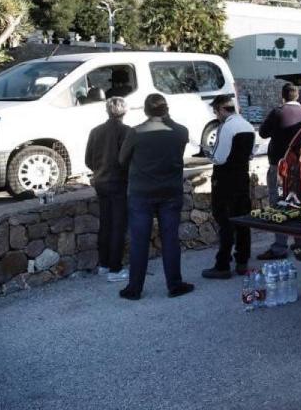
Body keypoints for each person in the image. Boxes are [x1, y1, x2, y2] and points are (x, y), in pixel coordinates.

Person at [117, 94, 194, 300]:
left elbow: (122, 159)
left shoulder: (136, 132)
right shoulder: (180, 131)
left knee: (139, 241)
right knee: (170, 239)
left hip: (141, 192)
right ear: (166, 109)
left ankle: (134, 288)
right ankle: (174, 284)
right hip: (170, 191)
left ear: (145, 111)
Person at [202, 96, 256, 279]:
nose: (216, 116)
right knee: (242, 220)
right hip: (242, 177)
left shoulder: (227, 127)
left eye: (216, 112)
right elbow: (252, 153)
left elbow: (219, 157)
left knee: (224, 220)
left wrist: (207, 153)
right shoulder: (248, 126)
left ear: (221, 109)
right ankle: (242, 260)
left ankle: (222, 264)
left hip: (225, 180)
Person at [257, 83, 301, 260]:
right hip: (298, 167)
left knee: (278, 203)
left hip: (278, 167)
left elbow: (263, 133)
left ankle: (279, 247)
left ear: (283, 96)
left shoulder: (278, 112)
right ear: (297, 96)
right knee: (296, 202)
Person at [85, 96, 130, 283]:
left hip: (101, 182)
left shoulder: (95, 131)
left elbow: (88, 159)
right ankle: (115, 268)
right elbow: (128, 158)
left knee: (105, 224)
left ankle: (104, 264)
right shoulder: (127, 131)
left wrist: (99, 170)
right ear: (125, 112)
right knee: (118, 225)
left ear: (107, 110)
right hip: (119, 183)